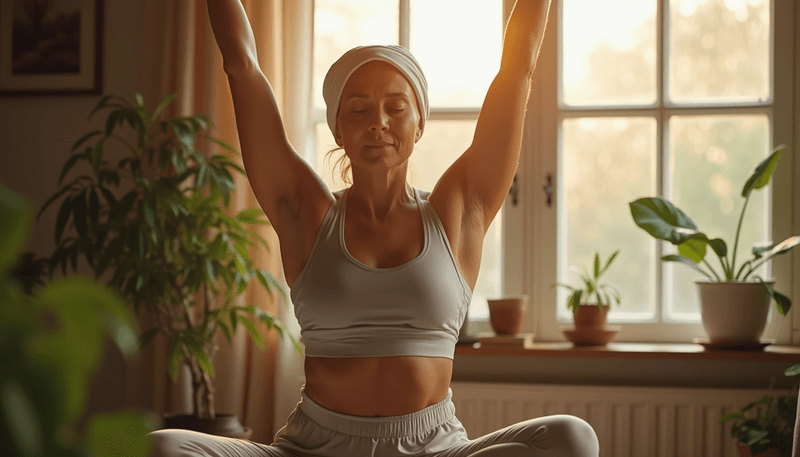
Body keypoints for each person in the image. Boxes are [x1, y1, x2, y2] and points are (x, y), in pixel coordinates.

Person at [148, 0, 600, 456]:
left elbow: (517, 69)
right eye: (358, 110)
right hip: (313, 448)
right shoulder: (306, 214)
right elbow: (242, 66)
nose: (378, 123)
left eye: (396, 107)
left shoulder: (459, 211)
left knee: (572, 438)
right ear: (338, 130)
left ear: (419, 123)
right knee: (159, 447)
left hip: (435, 447)